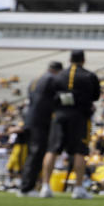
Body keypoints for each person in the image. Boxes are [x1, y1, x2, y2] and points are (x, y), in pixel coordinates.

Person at [40, 51, 100, 199]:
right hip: (80, 116)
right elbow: (96, 96)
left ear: (69, 59)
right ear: (83, 60)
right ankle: (78, 189)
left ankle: (45, 186)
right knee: (80, 151)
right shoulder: (89, 76)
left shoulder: (59, 76)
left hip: (60, 115)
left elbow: (50, 95)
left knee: (52, 150)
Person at [17, 61, 62, 197]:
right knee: (36, 153)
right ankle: (26, 188)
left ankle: (26, 185)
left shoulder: (36, 79)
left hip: (30, 118)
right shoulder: (51, 79)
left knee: (33, 153)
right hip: (41, 120)